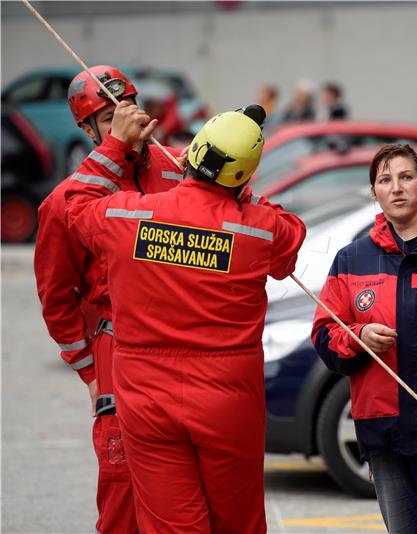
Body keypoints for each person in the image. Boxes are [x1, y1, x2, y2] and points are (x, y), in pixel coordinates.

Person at [63, 104, 306, 532]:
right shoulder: (258, 229)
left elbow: (76, 203)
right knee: (238, 522)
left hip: (145, 396)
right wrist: (241, 190)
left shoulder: (127, 216)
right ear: (242, 176)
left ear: (191, 155)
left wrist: (116, 143)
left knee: (172, 525)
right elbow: (290, 238)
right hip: (227, 400)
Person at [34, 65, 184, 534]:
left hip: (186, 348)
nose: (122, 119)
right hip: (117, 351)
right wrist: (89, 372)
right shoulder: (66, 200)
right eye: (106, 117)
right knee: (124, 494)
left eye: (127, 106)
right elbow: (56, 298)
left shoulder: (176, 169)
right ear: (86, 130)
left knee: (185, 491)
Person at [311, 144, 417, 534]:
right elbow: (324, 334)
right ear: (374, 192)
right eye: (385, 180)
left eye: (406, 177)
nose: (397, 188)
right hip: (384, 434)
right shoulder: (352, 258)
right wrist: (358, 336)